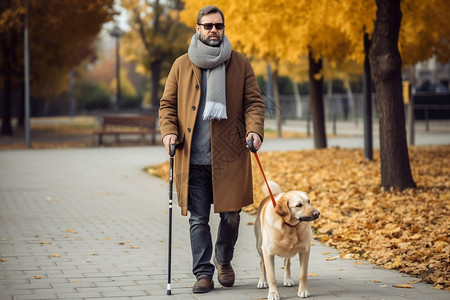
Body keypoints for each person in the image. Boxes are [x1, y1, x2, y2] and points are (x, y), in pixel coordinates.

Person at [159, 5, 265, 294]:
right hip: (192, 156)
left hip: (230, 156)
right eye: (208, 26)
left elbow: (254, 102)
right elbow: (167, 105)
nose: (214, 30)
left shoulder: (240, 63)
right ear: (198, 29)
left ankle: (223, 259)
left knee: (231, 215)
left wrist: (254, 129)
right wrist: (169, 133)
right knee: (198, 218)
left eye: (218, 25)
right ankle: (203, 273)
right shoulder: (181, 65)